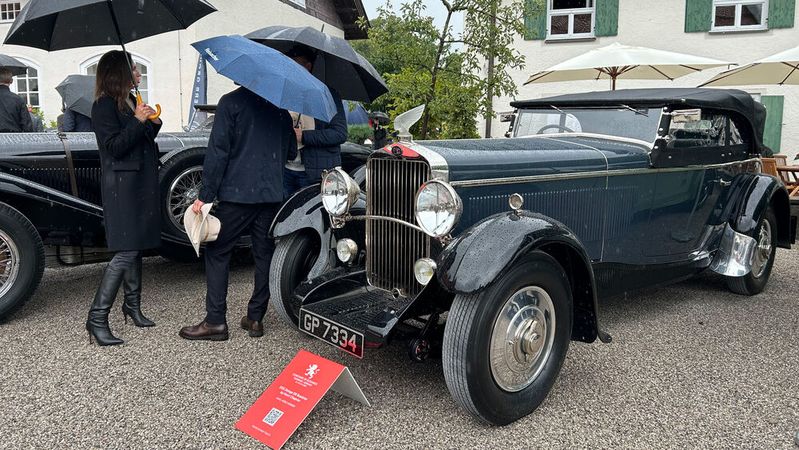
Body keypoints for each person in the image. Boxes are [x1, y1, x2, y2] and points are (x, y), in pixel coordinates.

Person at [179, 86, 296, 341]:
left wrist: (205, 195)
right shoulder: (279, 109)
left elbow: (218, 152)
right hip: (271, 195)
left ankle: (215, 321)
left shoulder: (231, 103)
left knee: (218, 251)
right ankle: (255, 318)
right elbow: (291, 153)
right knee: (264, 255)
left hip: (237, 194)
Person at [86, 51, 161, 346]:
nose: (139, 75)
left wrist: (147, 119)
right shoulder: (103, 106)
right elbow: (114, 146)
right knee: (126, 250)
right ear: (119, 73)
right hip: (122, 188)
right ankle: (96, 318)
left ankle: (132, 306)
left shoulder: (128, 102)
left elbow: (142, 140)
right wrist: (137, 122)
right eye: (134, 70)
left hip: (138, 184)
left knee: (137, 245)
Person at [284, 45, 347, 192]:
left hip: (315, 173)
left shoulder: (328, 95)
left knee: (312, 215)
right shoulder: (285, 93)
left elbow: (339, 133)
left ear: (308, 66)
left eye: (296, 64)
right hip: (285, 171)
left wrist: (304, 136)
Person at [0, 68, 33, 133]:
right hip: (14, 139)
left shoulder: (18, 100)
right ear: (11, 81)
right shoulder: (18, 100)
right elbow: (27, 127)